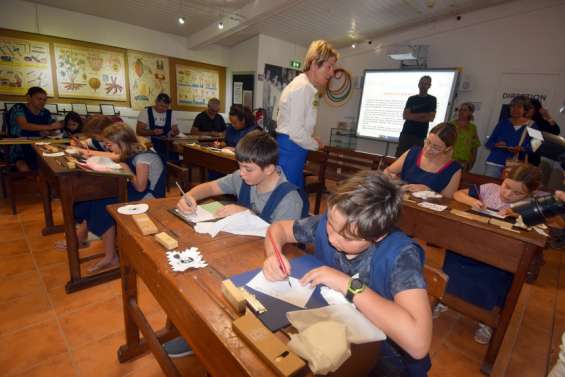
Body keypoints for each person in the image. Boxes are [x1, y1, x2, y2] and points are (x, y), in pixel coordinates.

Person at [262, 171, 432, 376]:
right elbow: (278, 229)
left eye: (348, 238)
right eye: (330, 225)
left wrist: (346, 284)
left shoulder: (400, 256)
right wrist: (274, 256)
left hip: (384, 356)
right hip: (333, 332)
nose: (332, 239)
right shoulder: (336, 221)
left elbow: (418, 343)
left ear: (377, 236)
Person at [166, 130, 309, 358]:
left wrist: (246, 211)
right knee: (199, 274)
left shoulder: (288, 197)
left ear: (270, 168)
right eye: (240, 167)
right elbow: (211, 187)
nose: (241, 174)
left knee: (220, 290)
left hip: (271, 264)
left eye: (248, 169)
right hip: (239, 251)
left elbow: (279, 239)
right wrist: (190, 196)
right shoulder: (246, 176)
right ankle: (200, 329)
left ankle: (208, 336)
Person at [438, 163, 542, 344]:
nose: (508, 194)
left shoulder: (531, 205)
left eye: (517, 193)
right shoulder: (489, 189)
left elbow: (542, 227)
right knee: (454, 256)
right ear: (504, 179)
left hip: (502, 257)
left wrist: (519, 215)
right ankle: (444, 299)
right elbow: (457, 194)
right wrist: (472, 201)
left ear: (529, 194)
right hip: (472, 246)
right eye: (507, 186)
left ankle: (487, 320)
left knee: (499, 279)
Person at [72, 123, 166, 273]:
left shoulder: (143, 156)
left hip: (150, 195)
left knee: (103, 204)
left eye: (110, 145)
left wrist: (127, 170)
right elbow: (112, 156)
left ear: (121, 142)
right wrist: (84, 152)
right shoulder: (130, 150)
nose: (109, 148)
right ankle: (89, 241)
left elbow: (140, 186)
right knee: (92, 198)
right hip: (138, 190)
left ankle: (111, 256)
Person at [276, 40, 339, 188]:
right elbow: (296, 133)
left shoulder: (307, 88)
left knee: (296, 197)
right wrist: (315, 144)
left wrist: (310, 138)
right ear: (314, 64)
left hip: (295, 148)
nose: (332, 73)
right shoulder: (302, 88)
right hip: (291, 150)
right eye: (329, 66)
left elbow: (298, 127)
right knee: (288, 198)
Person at [385, 123, 462, 198]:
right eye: (428, 142)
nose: (428, 149)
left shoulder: (453, 169)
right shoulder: (413, 153)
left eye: (436, 147)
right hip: (402, 202)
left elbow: (448, 200)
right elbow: (387, 172)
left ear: (447, 149)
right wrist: (395, 181)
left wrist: (429, 191)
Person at [6, 86, 63, 171]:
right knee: (25, 169)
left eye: (44, 100)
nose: (42, 102)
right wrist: (49, 127)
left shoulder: (45, 112)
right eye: (39, 99)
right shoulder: (18, 108)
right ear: (29, 98)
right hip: (19, 147)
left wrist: (52, 131)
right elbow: (24, 125)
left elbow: (54, 126)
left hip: (40, 146)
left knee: (55, 164)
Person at [484, 95, 532, 178]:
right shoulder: (503, 123)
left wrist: (522, 149)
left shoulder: (532, 125)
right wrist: (496, 144)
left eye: (519, 107)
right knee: (489, 188)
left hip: (516, 166)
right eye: (512, 106)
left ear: (525, 110)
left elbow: (537, 145)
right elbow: (489, 143)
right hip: (495, 162)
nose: (515, 109)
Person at [396, 76, 437, 157]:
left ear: (429, 86)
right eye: (421, 83)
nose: (423, 85)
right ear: (418, 84)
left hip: (420, 136)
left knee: (414, 160)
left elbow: (430, 118)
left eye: (426, 83)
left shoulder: (432, 99)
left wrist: (412, 116)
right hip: (406, 134)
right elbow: (405, 116)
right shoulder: (411, 99)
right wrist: (423, 115)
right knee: (399, 157)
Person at [136, 93, 179, 161]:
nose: (164, 109)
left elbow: (176, 130)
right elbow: (139, 131)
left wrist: (173, 132)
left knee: (174, 160)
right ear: (156, 101)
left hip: (167, 146)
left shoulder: (170, 113)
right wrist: (152, 132)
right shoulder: (146, 112)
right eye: (161, 106)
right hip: (150, 145)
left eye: (166, 107)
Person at [527, 98, 560, 167]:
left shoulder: (539, 122)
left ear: (536, 109)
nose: (527, 109)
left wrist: (547, 116)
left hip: (532, 159)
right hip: (515, 155)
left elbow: (556, 131)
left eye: (530, 108)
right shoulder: (517, 119)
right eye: (526, 107)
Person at [451, 102, 481, 171]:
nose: (461, 112)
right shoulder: (451, 125)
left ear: (470, 113)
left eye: (464, 110)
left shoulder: (473, 128)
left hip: (463, 163)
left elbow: (474, 147)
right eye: (460, 110)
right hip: (450, 160)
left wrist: (471, 163)